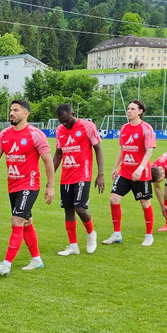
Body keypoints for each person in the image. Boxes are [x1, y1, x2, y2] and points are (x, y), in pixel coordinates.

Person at [0, 99, 55, 276]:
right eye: (11, 110)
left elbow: (48, 161)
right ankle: (37, 259)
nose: (11, 113)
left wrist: (50, 186)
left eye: (16, 110)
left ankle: (6, 264)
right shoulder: (4, 134)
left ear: (25, 114)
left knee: (17, 220)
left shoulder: (35, 134)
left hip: (29, 184)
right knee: (26, 222)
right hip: (13, 185)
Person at [53, 103, 104, 256]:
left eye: (67, 120)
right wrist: (50, 176)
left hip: (83, 173)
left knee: (80, 208)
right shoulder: (60, 130)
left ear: (73, 114)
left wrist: (100, 174)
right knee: (68, 210)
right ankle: (73, 246)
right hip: (66, 176)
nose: (65, 124)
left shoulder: (88, 126)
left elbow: (98, 149)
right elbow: (58, 154)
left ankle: (91, 233)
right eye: (61, 121)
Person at [104, 99, 156, 247]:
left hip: (141, 174)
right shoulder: (124, 128)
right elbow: (122, 149)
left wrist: (140, 168)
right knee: (114, 199)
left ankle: (149, 235)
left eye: (133, 109)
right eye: (128, 108)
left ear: (140, 111)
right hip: (125, 172)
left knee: (145, 203)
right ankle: (116, 234)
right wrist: (115, 167)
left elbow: (149, 151)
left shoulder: (146, 128)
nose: (129, 111)